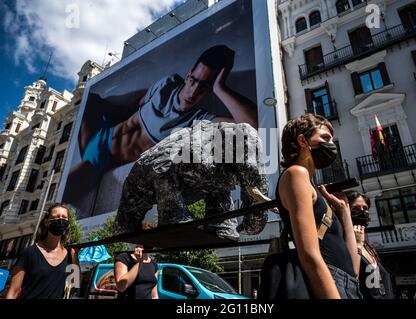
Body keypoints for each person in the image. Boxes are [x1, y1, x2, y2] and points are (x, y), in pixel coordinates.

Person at [65, 45, 258, 204]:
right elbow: (133, 108)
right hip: (100, 134)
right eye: (193, 80)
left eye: (205, 86)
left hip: (102, 159)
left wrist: (221, 88)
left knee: (68, 194)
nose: (193, 91)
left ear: (211, 90)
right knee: (88, 98)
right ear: (188, 74)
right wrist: (101, 107)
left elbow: (251, 126)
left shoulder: (199, 120)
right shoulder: (167, 84)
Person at [260, 114, 361, 299]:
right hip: (329, 284)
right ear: (302, 140)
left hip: (345, 284)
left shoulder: (309, 182)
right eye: (325, 138)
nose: (331, 144)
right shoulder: (296, 174)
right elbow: (309, 255)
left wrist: (344, 211)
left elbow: (353, 269)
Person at [6, 203, 79, 299]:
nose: (60, 220)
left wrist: (75, 258)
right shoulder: (29, 253)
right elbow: (13, 292)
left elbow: (75, 286)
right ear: (46, 221)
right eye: (56, 217)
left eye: (64, 218)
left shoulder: (70, 256)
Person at [345, 190, 394, 299]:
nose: (362, 212)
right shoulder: (346, 244)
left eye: (365, 208)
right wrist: (358, 243)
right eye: (355, 209)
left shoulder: (368, 247)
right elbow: (351, 277)